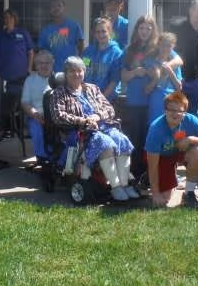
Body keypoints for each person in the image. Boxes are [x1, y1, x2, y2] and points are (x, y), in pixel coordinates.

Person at [48, 56, 137, 202]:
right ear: (65, 73)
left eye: (79, 71)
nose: (76, 74)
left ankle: (125, 184)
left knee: (123, 140)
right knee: (105, 143)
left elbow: (109, 109)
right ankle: (115, 187)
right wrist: (83, 121)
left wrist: (96, 116)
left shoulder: (92, 88)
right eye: (72, 71)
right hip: (80, 131)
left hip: (103, 125)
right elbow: (58, 116)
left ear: (84, 72)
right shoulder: (59, 93)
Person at [144, 90, 198, 208]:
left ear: (184, 112)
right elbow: (152, 165)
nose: (175, 114)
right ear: (165, 110)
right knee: (164, 199)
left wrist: (191, 140)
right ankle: (153, 179)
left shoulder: (191, 120)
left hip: (182, 153)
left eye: (179, 111)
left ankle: (188, 193)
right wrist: (155, 193)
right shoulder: (155, 129)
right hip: (162, 158)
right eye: (171, 110)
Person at [0, 8, 35, 131]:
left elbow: (31, 52)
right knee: (4, 103)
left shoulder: (23, 33)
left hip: (20, 75)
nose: (7, 20)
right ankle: (6, 129)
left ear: (15, 19)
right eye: (5, 17)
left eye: (10, 17)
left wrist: (29, 69)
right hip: (3, 76)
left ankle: (18, 128)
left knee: (19, 102)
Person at [119, 15, 158, 180]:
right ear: (137, 30)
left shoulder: (157, 49)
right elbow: (123, 77)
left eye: (148, 28)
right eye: (142, 28)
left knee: (150, 140)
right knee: (135, 139)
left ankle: (150, 175)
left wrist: (155, 76)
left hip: (152, 103)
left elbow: (177, 60)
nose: (144, 31)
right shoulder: (129, 50)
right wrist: (135, 72)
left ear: (153, 30)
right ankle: (135, 174)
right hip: (134, 102)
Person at [20, 50, 55, 162]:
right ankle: (43, 158)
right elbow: (25, 102)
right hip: (36, 115)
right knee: (36, 128)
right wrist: (35, 114)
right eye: (40, 63)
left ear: (52, 64)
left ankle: (58, 157)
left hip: (56, 116)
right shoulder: (30, 80)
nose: (44, 65)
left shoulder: (59, 79)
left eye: (47, 63)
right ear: (36, 65)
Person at [82, 17, 124, 100]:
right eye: (98, 32)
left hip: (107, 100)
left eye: (103, 31)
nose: (101, 35)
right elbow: (83, 72)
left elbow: (114, 81)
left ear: (110, 32)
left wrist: (101, 99)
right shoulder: (88, 51)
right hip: (87, 97)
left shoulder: (116, 53)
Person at [38, 0, 84, 69]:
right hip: (52, 70)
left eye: (59, 6)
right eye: (53, 6)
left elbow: (81, 45)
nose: (56, 8)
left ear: (64, 7)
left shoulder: (74, 26)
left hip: (71, 68)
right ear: (49, 10)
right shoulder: (45, 30)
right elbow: (42, 51)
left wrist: (80, 62)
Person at [146, 32, 182, 122]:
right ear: (158, 45)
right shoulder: (151, 63)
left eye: (169, 46)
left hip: (172, 104)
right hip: (156, 103)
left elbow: (179, 87)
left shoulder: (174, 65)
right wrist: (156, 77)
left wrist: (170, 72)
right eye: (163, 45)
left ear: (173, 47)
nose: (165, 48)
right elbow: (146, 90)